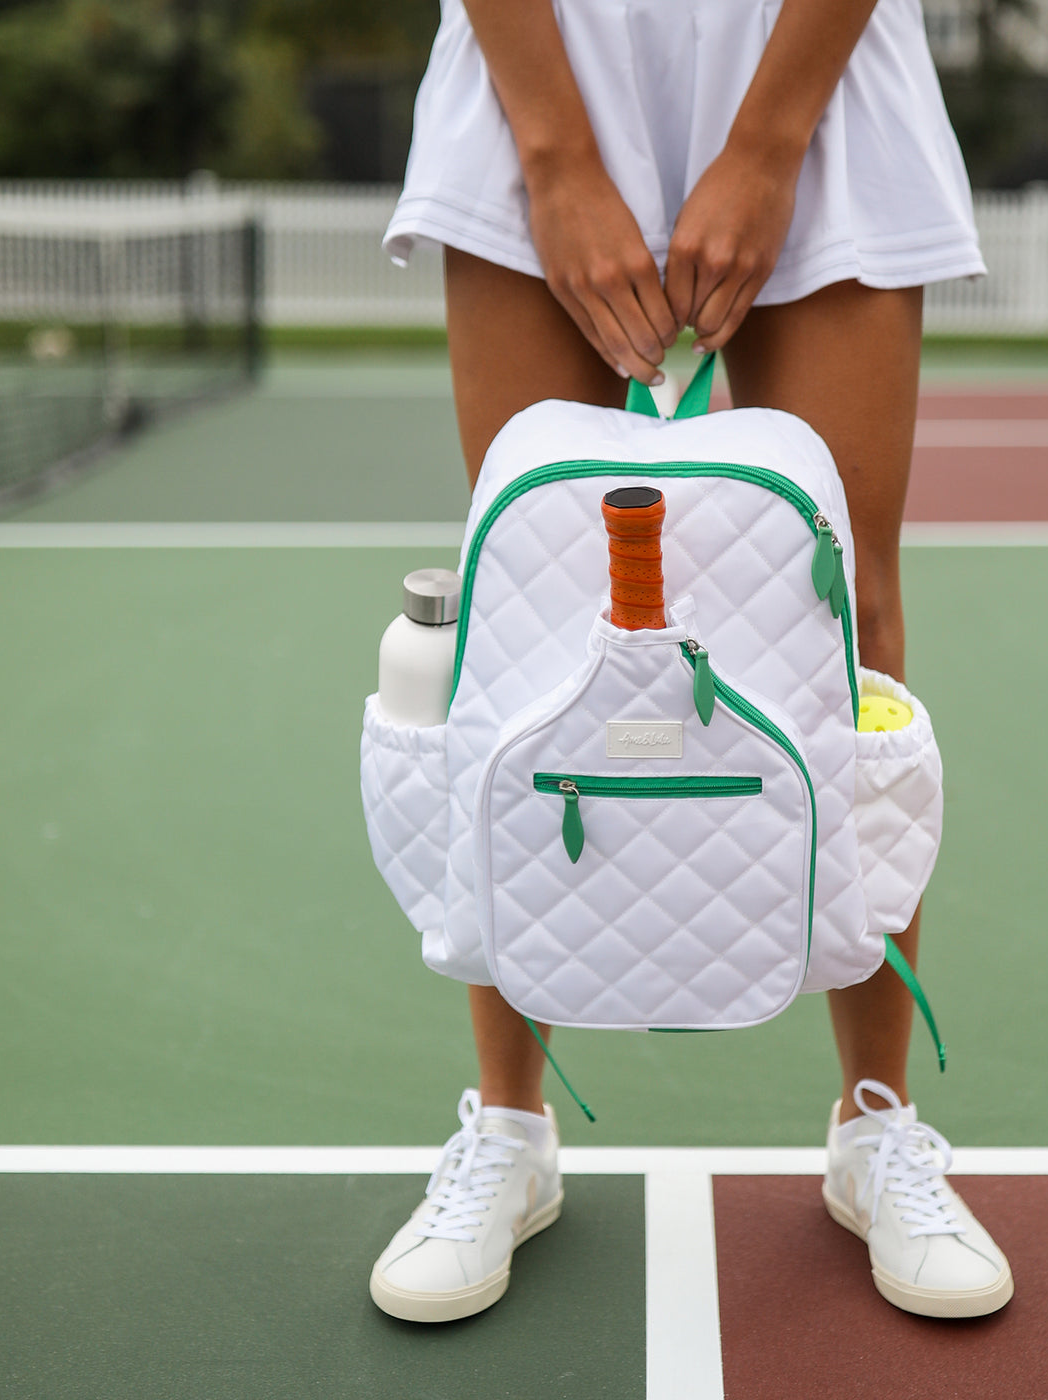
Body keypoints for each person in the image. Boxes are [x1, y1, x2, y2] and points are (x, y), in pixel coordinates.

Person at [369, 0, 1013, 1325]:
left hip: (810, 71)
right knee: (522, 612)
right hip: (541, 63)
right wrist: (553, 155)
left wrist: (771, 139)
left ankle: (874, 1126)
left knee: (852, 620)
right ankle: (509, 1132)